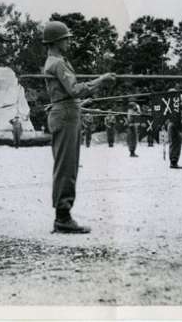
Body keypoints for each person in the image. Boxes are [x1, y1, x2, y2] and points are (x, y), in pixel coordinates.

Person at [42, 21, 115, 234]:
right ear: (56, 41)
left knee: (67, 165)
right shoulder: (57, 63)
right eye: (66, 39)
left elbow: (66, 94)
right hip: (65, 116)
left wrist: (80, 103)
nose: (69, 42)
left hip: (66, 112)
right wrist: (101, 80)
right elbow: (73, 89)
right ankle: (63, 217)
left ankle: (63, 214)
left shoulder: (55, 61)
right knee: (67, 167)